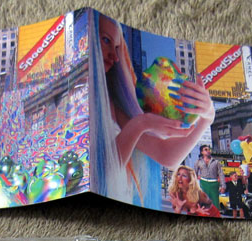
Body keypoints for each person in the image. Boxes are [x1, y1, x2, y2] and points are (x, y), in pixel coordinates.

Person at [91, 13, 215, 209]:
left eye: (116, 48)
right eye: (106, 40)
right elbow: (102, 170)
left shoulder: (114, 103)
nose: (114, 57)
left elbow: (167, 155)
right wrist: (142, 123)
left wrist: (206, 118)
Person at [194, 145, 225, 211]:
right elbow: (194, 174)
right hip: (203, 183)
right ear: (202, 152)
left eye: (209, 149)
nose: (208, 151)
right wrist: (194, 186)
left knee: (215, 204)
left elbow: (221, 174)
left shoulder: (216, 162)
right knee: (204, 203)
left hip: (214, 184)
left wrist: (223, 186)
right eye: (206, 150)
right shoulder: (198, 162)